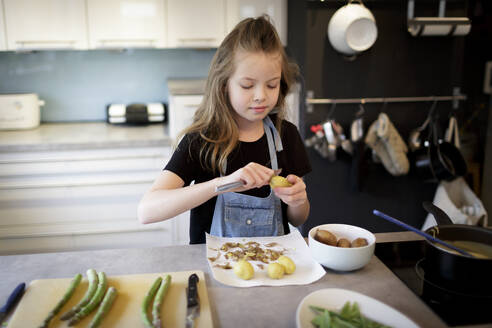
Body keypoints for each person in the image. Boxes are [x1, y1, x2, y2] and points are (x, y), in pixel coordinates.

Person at [138, 15, 312, 244]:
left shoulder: (285, 135)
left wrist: (298, 201)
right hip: (213, 272)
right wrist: (224, 183)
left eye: (272, 84)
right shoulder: (200, 141)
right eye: (247, 85)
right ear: (224, 85)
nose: (261, 95)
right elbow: (147, 211)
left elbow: (298, 220)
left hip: (271, 271)